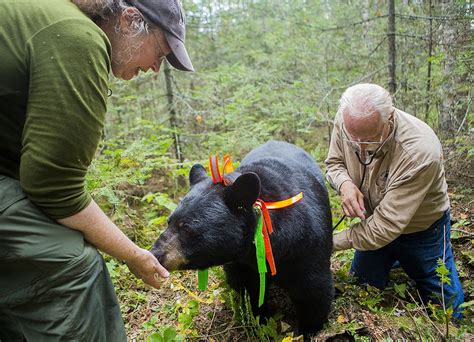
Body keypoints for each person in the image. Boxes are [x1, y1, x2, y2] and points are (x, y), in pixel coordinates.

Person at [0, 0, 193, 340]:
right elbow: (53, 186)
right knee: (72, 266)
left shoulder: (53, 17)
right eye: (160, 53)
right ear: (131, 20)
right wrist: (134, 255)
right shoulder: (79, 38)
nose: (154, 69)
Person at [325, 83, 464, 318]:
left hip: (422, 229)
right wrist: (345, 185)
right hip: (373, 223)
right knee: (361, 288)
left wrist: (328, 243)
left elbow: (385, 226)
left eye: (369, 139)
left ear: (389, 117)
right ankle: (397, 261)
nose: (359, 147)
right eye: (353, 138)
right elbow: (334, 164)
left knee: (446, 306)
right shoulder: (348, 121)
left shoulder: (419, 152)